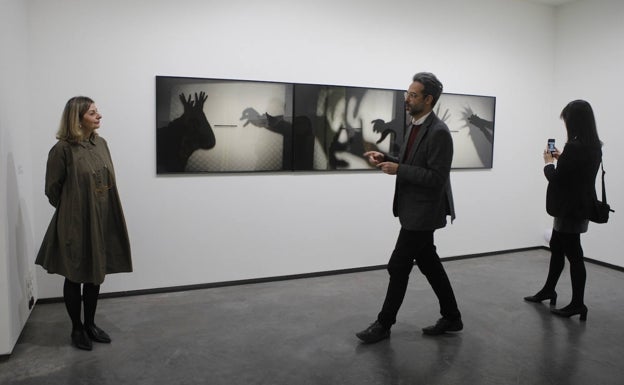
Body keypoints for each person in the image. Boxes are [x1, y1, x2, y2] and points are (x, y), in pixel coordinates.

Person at [356, 72, 461, 344]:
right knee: (429, 263)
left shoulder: (439, 133)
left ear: (428, 99)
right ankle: (452, 316)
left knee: (398, 265)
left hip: (424, 214)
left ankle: (384, 324)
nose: (407, 99)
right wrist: (387, 158)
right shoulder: (415, 125)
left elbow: (437, 178)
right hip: (412, 210)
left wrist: (399, 169)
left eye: (413, 95)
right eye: (408, 93)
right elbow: (413, 162)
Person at [36, 96, 133, 350]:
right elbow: (52, 189)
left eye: (97, 111)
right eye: (92, 113)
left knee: (95, 275)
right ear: (77, 118)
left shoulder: (101, 143)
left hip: (102, 217)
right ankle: (76, 329)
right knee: (75, 275)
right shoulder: (62, 150)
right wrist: (74, 209)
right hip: (75, 221)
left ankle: (90, 324)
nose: (99, 116)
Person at [524, 100, 602, 321]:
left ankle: (578, 303)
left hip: (569, 209)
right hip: (580, 206)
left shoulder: (574, 147)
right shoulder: (593, 146)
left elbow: (558, 179)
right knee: (557, 247)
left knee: (574, 255)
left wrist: (548, 163)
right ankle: (549, 289)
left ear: (573, 121)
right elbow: (576, 173)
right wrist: (562, 158)